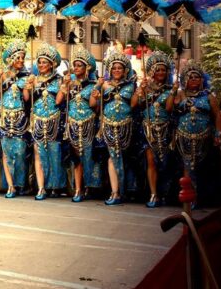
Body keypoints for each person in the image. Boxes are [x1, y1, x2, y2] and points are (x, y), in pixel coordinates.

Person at [173, 60, 221, 206]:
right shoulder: (181, 94)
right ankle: (189, 198)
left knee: (204, 167)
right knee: (187, 166)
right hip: (183, 137)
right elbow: (173, 107)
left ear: (202, 79)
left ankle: (203, 197)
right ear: (185, 80)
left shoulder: (208, 96)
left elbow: (217, 115)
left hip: (205, 138)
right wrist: (174, 91)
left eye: (197, 77)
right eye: (190, 77)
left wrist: (218, 133)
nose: (194, 79)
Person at [90, 52, 135, 205]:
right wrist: (97, 89)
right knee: (111, 158)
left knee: (124, 159)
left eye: (119, 68)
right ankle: (115, 192)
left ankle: (125, 191)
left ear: (125, 70)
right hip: (108, 126)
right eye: (114, 68)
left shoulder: (130, 85)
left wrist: (140, 92)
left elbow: (134, 104)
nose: (116, 70)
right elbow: (93, 104)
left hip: (126, 127)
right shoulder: (104, 85)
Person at [131, 51, 176, 208]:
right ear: (152, 71)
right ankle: (153, 194)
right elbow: (133, 104)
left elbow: (169, 108)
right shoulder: (145, 88)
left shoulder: (171, 89)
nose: (161, 72)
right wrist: (140, 90)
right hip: (147, 130)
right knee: (151, 161)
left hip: (166, 130)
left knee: (164, 162)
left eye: (163, 70)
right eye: (158, 70)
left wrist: (173, 91)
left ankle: (164, 193)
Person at [57, 46, 100, 202]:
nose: (76, 68)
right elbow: (58, 101)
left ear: (87, 67)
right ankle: (77, 189)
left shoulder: (93, 84)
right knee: (75, 157)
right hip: (73, 124)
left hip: (88, 124)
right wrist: (64, 86)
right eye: (74, 65)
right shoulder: (70, 83)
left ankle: (90, 187)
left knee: (88, 156)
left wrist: (97, 93)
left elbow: (95, 107)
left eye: (79, 65)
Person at [24, 43, 65, 200]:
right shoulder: (33, 79)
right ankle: (41, 187)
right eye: (39, 62)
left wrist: (64, 88)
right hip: (37, 120)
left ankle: (55, 186)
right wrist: (27, 87)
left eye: (44, 62)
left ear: (52, 64)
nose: (41, 65)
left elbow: (58, 101)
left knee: (54, 154)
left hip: (54, 120)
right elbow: (27, 99)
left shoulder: (59, 80)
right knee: (39, 153)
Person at [0, 39, 29, 198]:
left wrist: (28, 87)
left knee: (20, 152)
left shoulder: (26, 76)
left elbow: (27, 99)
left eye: (22, 57)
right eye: (17, 57)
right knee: (6, 152)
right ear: (10, 59)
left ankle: (21, 184)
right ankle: (10, 186)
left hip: (20, 117)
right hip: (4, 116)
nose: (21, 60)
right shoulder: (2, 74)